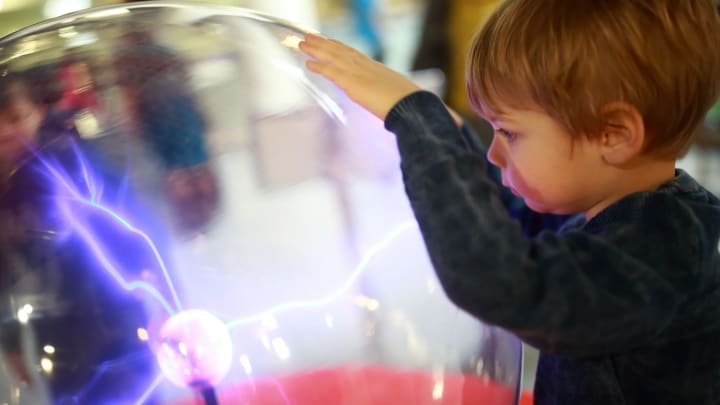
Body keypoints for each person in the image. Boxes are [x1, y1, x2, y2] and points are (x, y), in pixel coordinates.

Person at [299, 0, 720, 403]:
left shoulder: (666, 246)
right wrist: (452, 134)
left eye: (510, 133)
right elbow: (512, 223)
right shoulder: (610, 210)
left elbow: (503, 282)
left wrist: (421, 125)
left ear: (614, 134)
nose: (493, 154)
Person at [0, 67, 162, 403]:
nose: (5, 132)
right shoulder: (6, 190)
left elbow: (131, 228)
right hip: (60, 337)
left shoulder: (77, 160)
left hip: (118, 316)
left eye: (15, 118)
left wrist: (159, 298)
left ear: (39, 112)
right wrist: (12, 341)